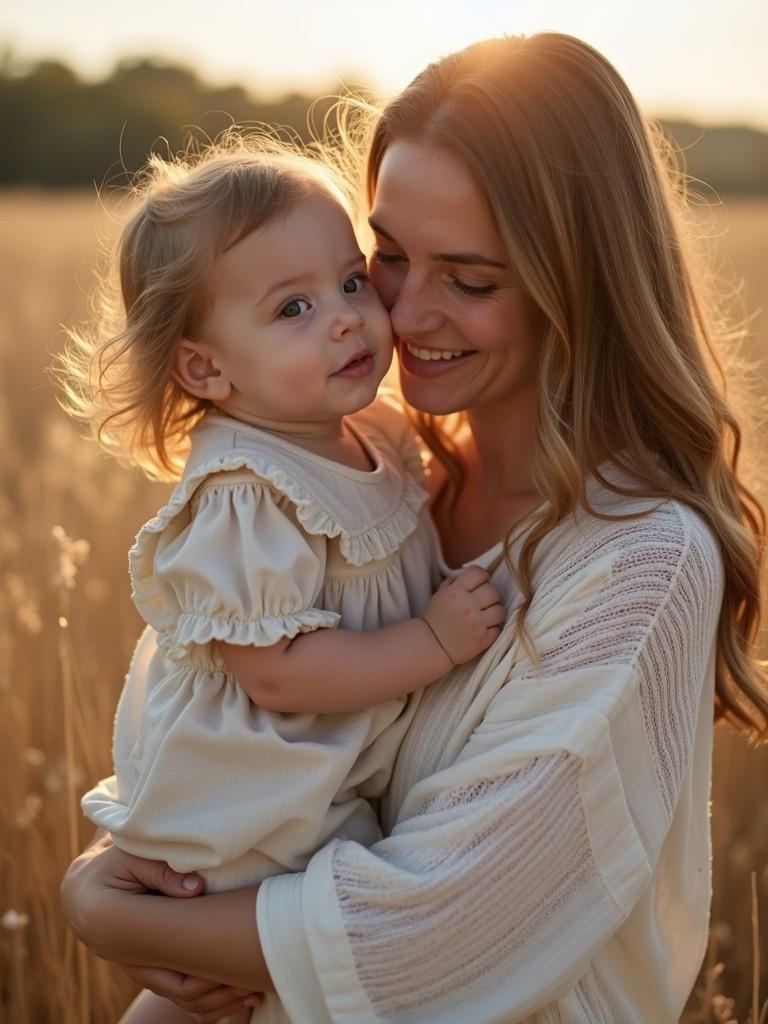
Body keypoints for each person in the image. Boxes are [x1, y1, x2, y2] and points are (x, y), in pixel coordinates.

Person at [61, 32, 767, 1024]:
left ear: (585, 283)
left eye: (470, 280)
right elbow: (239, 728)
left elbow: (424, 937)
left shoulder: (640, 564)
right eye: (387, 257)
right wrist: (103, 871)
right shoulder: (383, 486)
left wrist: (119, 918)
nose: (399, 312)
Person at [58, 141, 506, 1023]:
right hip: (253, 806)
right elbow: (280, 671)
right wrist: (431, 643)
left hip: (320, 797)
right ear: (206, 370)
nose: (347, 319)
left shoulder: (369, 429)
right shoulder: (245, 493)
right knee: (219, 999)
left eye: (348, 281)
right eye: (293, 307)